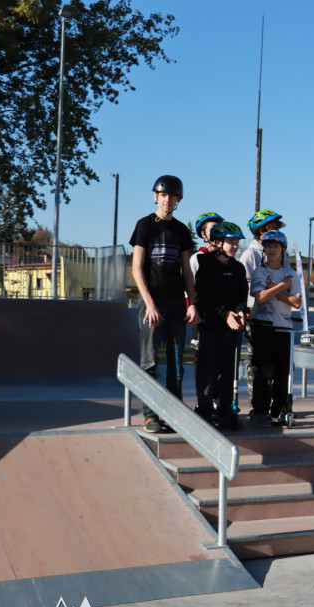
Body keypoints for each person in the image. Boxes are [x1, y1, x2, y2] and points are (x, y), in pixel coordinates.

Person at [129, 174, 199, 434]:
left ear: (178, 199)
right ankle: (150, 414)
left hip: (175, 302)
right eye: (163, 195)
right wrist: (149, 304)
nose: (167, 200)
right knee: (150, 359)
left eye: (172, 196)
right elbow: (136, 269)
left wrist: (192, 303)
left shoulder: (181, 230)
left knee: (176, 360)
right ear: (155, 197)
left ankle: (174, 411)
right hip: (151, 301)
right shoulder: (144, 225)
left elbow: (187, 272)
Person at [194, 222, 248, 430]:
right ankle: (205, 410)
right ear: (218, 242)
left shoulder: (238, 267)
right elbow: (205, 295)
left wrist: (241, 311)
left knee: (228, 371)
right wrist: (225, 314)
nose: (234, 246)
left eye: (236, 242)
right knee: (207, 370)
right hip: (210, 326)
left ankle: (225, 410)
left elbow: (242, 295)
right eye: (230, 242)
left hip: (232, 328)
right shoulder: (205, 263)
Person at [247, 230, 302, 428]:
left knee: (281, 373)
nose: (271, 250)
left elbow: (296, 302)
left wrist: (275, 290)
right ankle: (260, 411)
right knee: (262, 371)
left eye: (276, 246)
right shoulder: (259, 272)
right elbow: (259, 297)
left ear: (283, 250)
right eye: (268, 246)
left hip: (284, 327)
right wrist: (282, 287)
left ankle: (279, 411)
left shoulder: (291, 274)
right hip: (262, 325)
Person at [240, 209, 289, 417]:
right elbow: (247, 285)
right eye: (273, 226)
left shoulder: (281, 254)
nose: (277, 229)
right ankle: (258, 406)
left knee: (280, 365)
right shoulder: (250, 254)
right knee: (260, 365)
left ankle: (278, 405)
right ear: (261, 229)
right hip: (258, 316)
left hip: (279, 316)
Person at [188, 212, 224, 355]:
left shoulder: (227, 259)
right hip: (203, 319)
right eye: (213, 229)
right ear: (203, 234)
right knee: (202, 363)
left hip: (222, 320)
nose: (217, 232)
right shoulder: (197, 258)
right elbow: (190, 288)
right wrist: (192, 308)